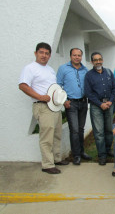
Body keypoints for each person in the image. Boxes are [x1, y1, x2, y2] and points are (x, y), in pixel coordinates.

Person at [19, 42, 69, 174]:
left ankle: (56, 158)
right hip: (43, 107)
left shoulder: (50, 69)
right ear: (36, 53)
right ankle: (47, 164)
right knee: (46, 137)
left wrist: (62, 101)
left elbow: (54, 89)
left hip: (55, 107)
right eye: (41, 52)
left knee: (57, 134)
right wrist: (40, 97)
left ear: (49, 55)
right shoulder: (30, 68)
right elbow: (23, 85)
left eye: (47, 53)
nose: (44, 55)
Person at [56, 48, 92, 165]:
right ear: (70, 56)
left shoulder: (85, 70)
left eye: (79, 55)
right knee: (75, 130)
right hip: (71, 103)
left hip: (83, 102)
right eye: (74, 55)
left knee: (81, 129)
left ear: (81, 56)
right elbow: (57, 86)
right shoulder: (63, 69)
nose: (77, 57)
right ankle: (76, 155)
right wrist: (64, 101)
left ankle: (81, 152)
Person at [85, 52, 115, 166]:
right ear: (92, 62)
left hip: (109, 104)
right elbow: (88, 93)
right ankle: (102, 155)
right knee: (99, 132)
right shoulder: (89, 75)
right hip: (96, 106)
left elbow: (114, 88)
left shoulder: (109, 72)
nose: (98, 61)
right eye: (95, 60)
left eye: (100, 59)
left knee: (109, 129)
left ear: (102, 60)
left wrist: (111, 101)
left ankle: (108, 150)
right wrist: (100, 104)